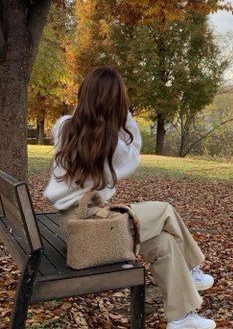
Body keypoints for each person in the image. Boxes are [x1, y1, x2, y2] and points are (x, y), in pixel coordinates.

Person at [43, 66, 216, 329]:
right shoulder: (113, 144)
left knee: (164, 241)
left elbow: (87, 124)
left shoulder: (64, 126)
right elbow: (135, 152)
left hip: (73, 223)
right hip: (91, 226)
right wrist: (124, 113)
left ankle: (181, 318)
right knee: (165, 209)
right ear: (117, 101)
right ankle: (192, 269)